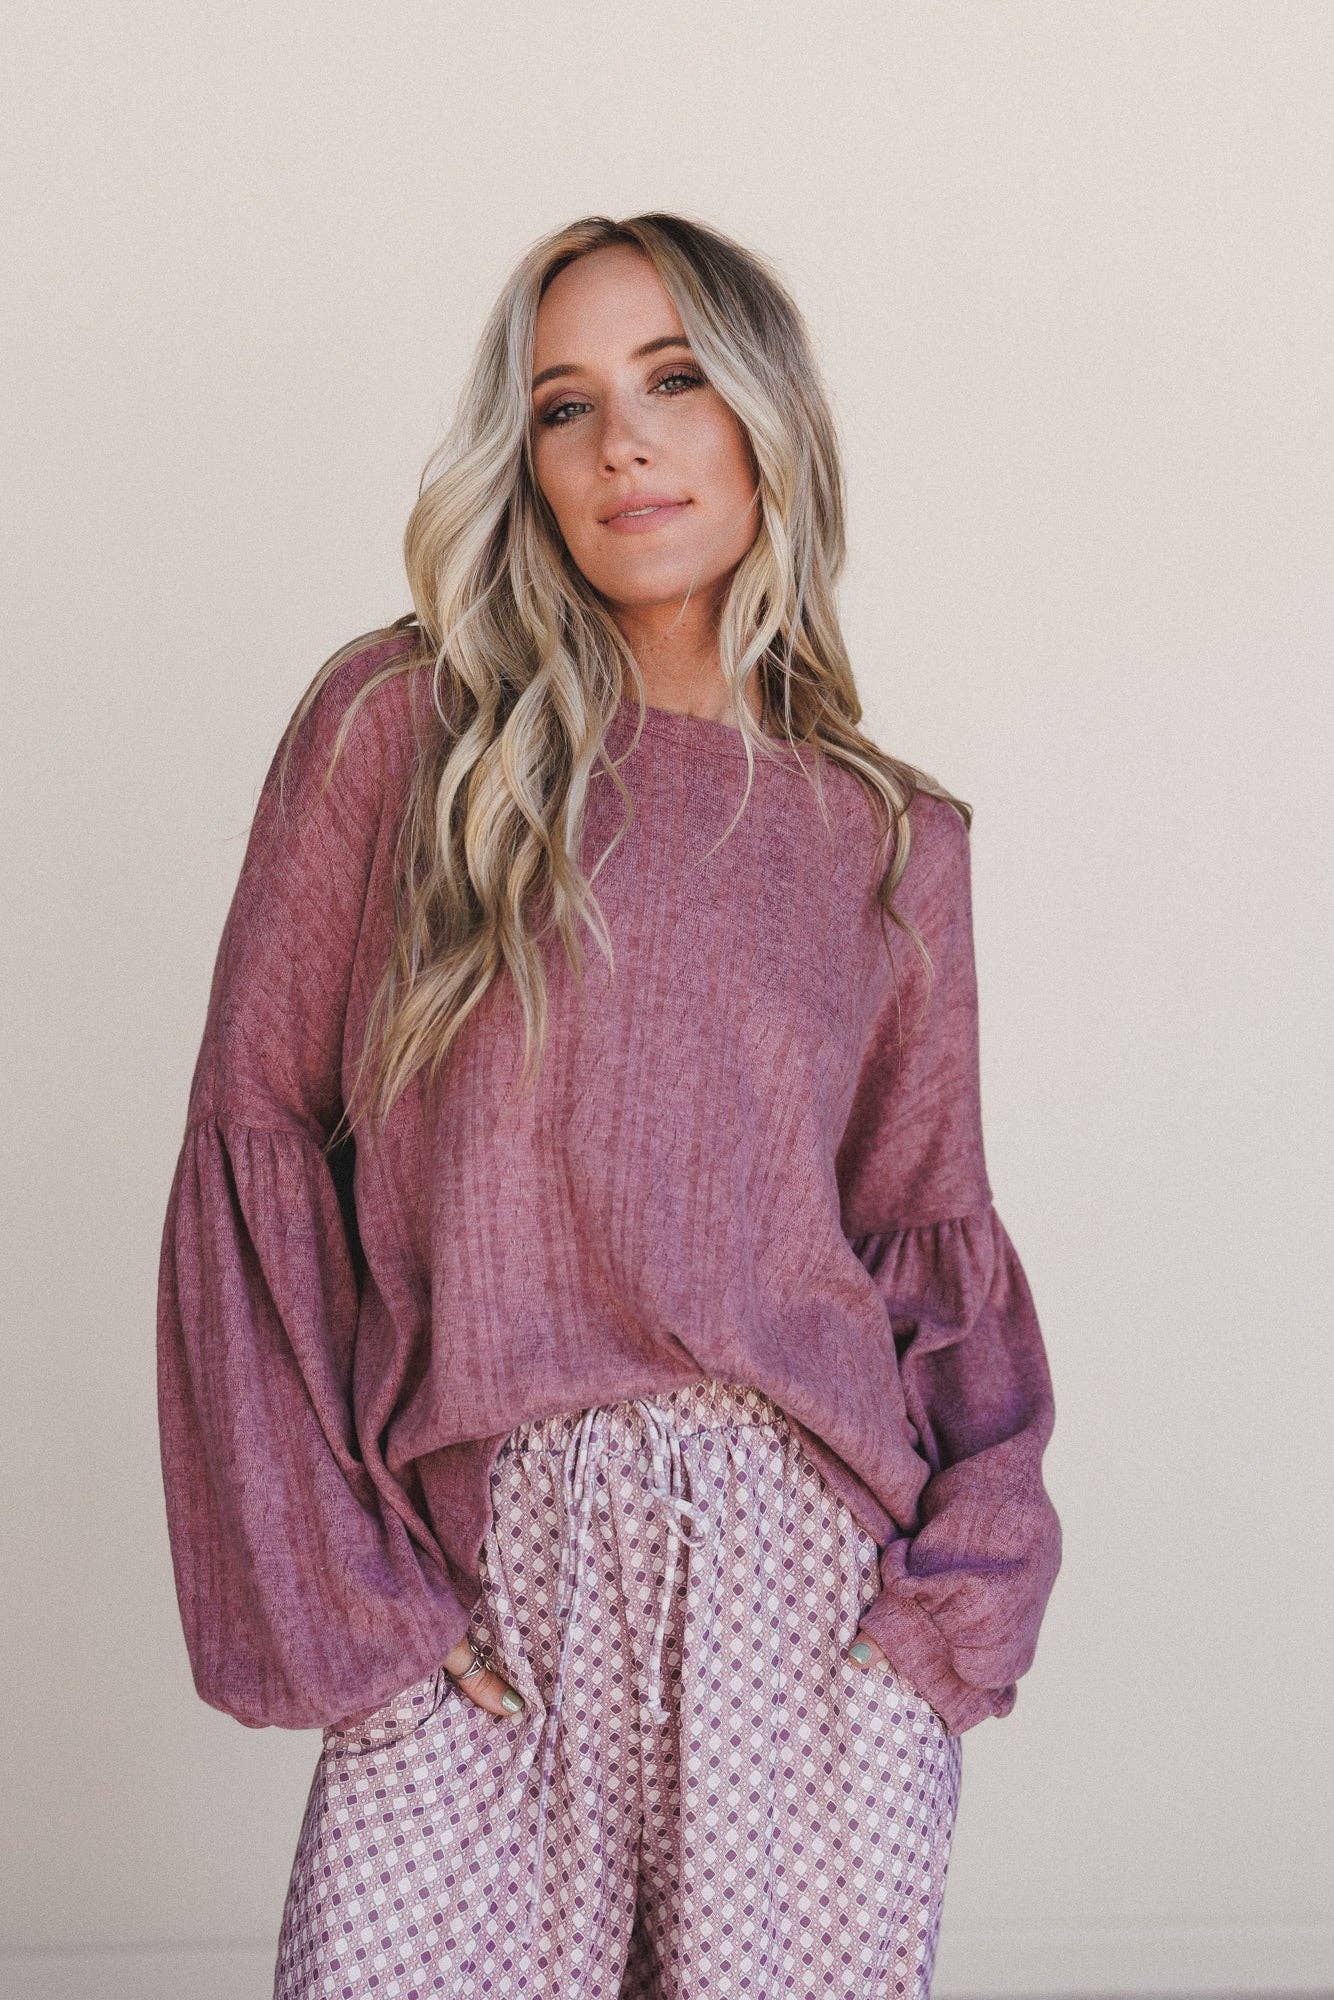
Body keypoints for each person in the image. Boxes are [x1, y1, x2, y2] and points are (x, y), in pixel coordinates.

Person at [156, 210, 1062, 2000]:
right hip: (486, 1558)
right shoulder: (403, 730)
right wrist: (368, 1618)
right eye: (564, 406)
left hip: (803, 1597)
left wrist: (930, 1630)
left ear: (768, 422)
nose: (622, 445)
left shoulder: (889, 841)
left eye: (673, 381)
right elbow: (254, 1157)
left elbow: (920, 1249)